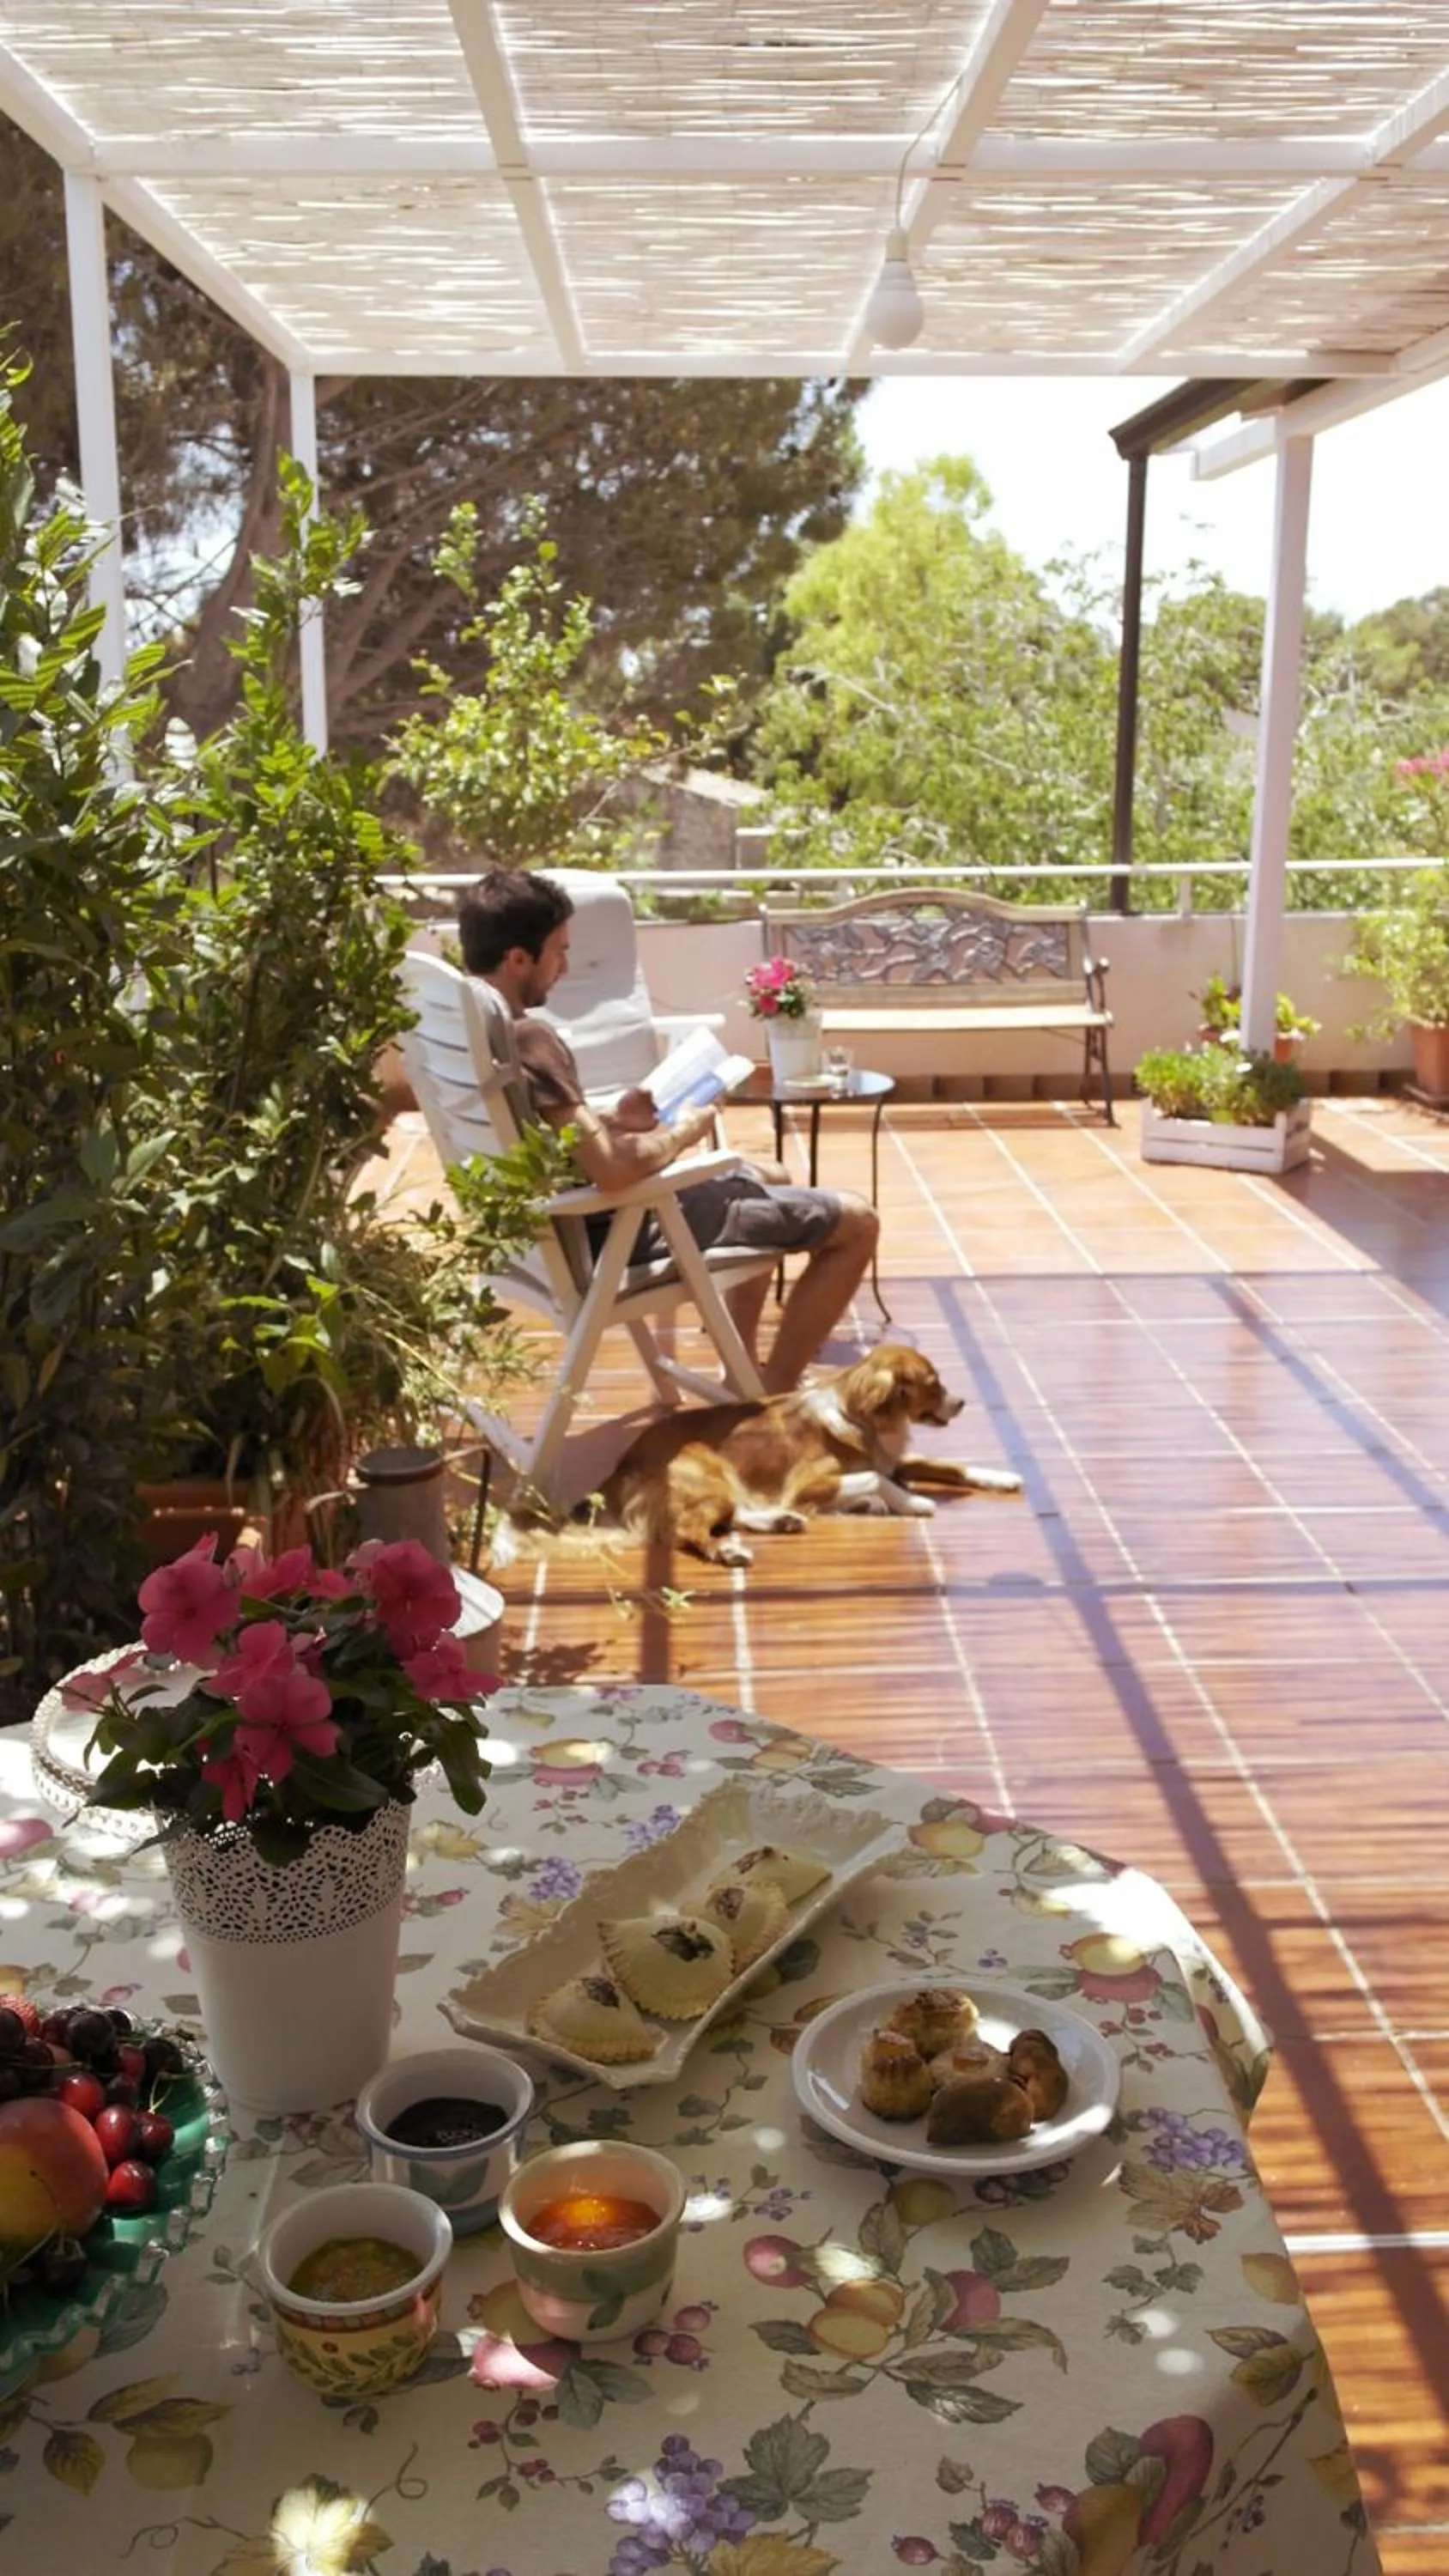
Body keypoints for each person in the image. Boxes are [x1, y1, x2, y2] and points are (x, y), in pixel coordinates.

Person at [457, 868, 878, 1394]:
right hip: (617, 1234)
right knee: (857, 1222)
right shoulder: (530, 1037)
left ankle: (740, 1368)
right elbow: (613, 1171)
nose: (565, 966)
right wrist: (685, 1130)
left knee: (769, 1172)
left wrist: (611, 1120)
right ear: (518, 958)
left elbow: (538, 1132)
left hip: (539, 1232)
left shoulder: (467, 1024)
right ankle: (778, 1395)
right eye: (558, 951)